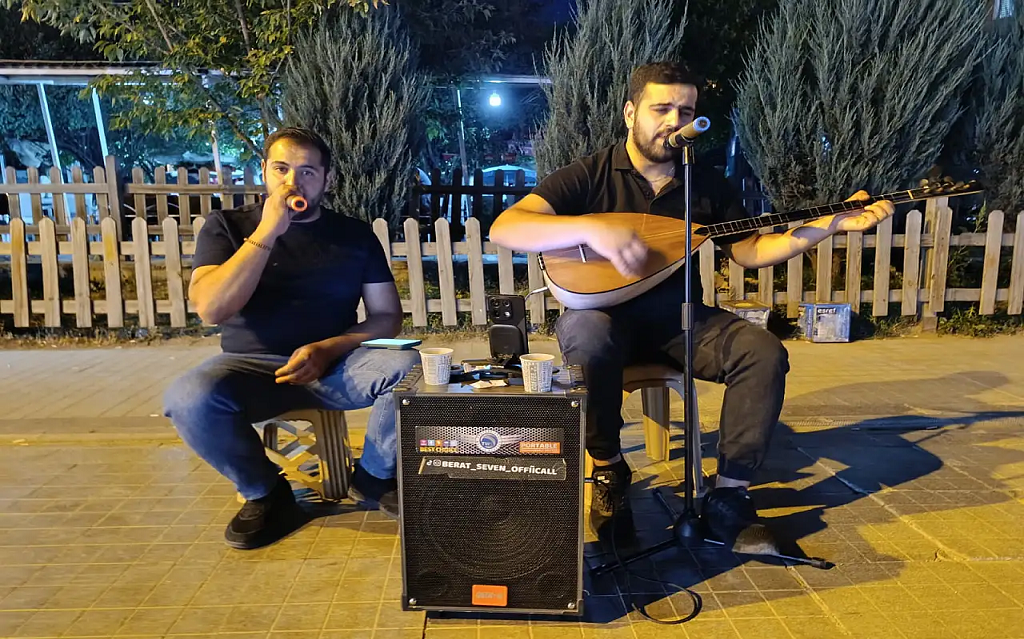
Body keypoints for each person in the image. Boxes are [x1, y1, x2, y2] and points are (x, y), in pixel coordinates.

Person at [489, 62, 894, 553]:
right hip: (601, 316)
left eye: (686, 111)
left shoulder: (704, 183)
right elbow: (506, 228)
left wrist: (828, 226)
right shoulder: (590, 174)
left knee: (761, 351)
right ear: (630, 113)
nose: (674, 121)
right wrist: (589, 228)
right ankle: (608, 469)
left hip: (679, 320)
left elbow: (750, 251)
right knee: (588, 336)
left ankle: (729, 497)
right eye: (661, 109)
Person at [164, 127, 417, 550]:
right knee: (187, 397)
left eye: (307, 172)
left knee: (409, 367)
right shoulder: (227, 226)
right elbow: (212, 309)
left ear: (328, 179)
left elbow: (388, 317)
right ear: (263, 171)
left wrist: (330, 347)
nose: (292, 182)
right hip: (252, 369)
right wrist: (267, 231)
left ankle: (373, 476)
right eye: (281, 169)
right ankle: (267, 493)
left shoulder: (353, 235)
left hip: (338, 365)